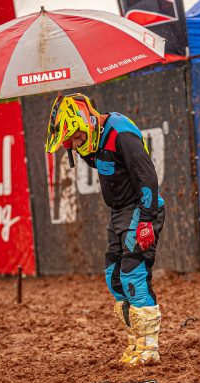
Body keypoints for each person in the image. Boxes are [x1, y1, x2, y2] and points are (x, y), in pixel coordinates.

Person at [45, 93, 165, 366]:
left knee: (133, 273)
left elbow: (147, 176)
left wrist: (147, 219)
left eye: (75, 138)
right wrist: (69, 142)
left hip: (141, 208)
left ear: (85, 122)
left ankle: (149, 347)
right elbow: (98, 162)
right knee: (114, 277)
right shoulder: (92, 141)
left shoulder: (121, 134)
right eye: (71, 141)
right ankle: (135, 342)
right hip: (119, 212)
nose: (75, 145)